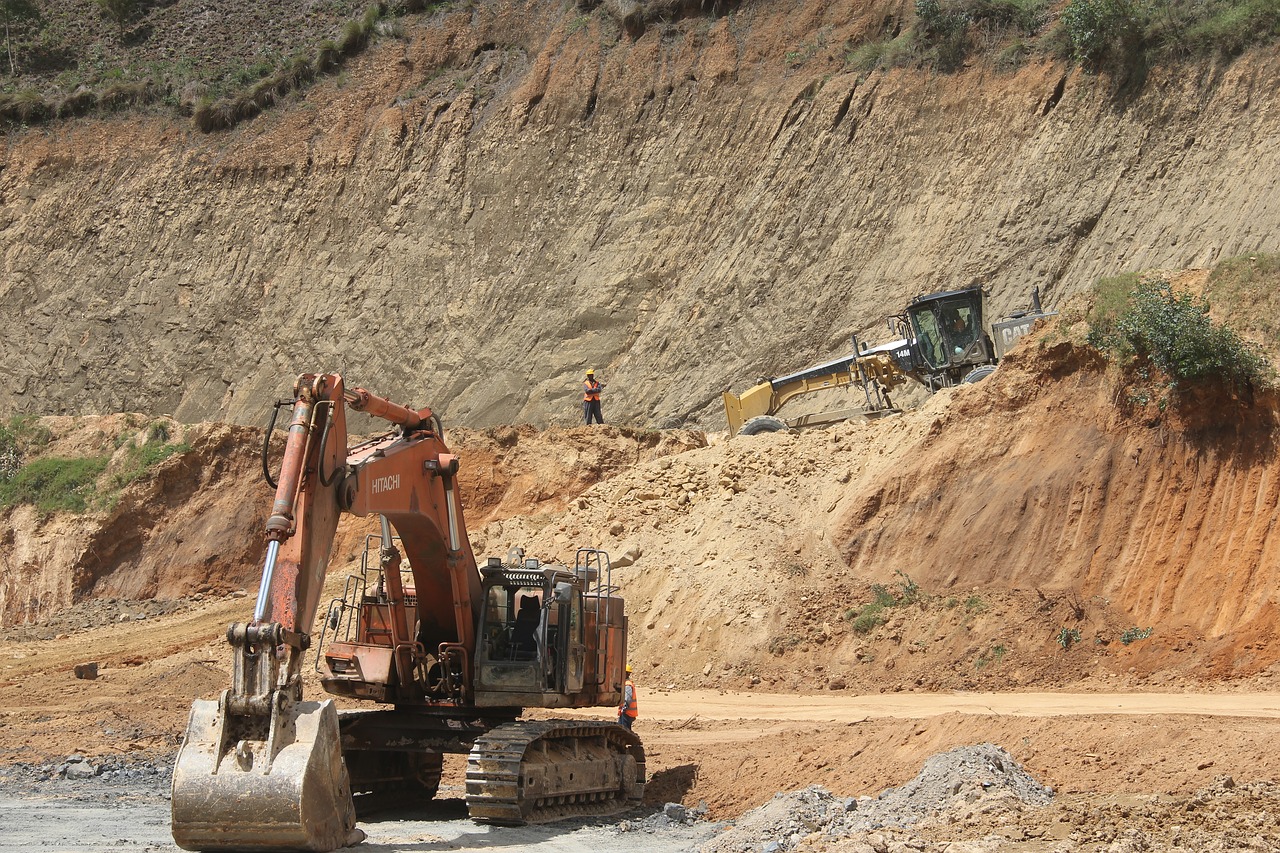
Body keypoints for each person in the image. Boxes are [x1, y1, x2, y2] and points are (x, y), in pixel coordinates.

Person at [618, 663, 637, 730]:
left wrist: (624, 709)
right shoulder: (627, 684)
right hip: (627, 713)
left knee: (624, 731)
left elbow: (628, 699)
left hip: (627, 713)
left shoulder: (627, 685)